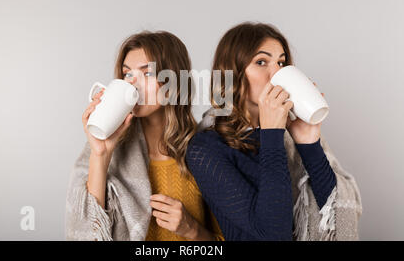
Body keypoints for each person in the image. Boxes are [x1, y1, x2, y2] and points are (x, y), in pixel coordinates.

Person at [186, 22, 362, 240]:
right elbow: (273, 233)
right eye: (261, 62)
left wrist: (309, 144)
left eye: (281, 62)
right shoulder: (205, 148)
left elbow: (335, 219)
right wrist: (271, 135)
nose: (276, 73)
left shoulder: (288, 135)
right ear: (233, 74)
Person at [65, 30, 223, 241]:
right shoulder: (104, 149)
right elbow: (85, 237)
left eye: (147, 73)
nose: (132, 83)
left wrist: (192, 230)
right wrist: (100, 155)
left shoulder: (205, 150)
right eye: (127, 74)